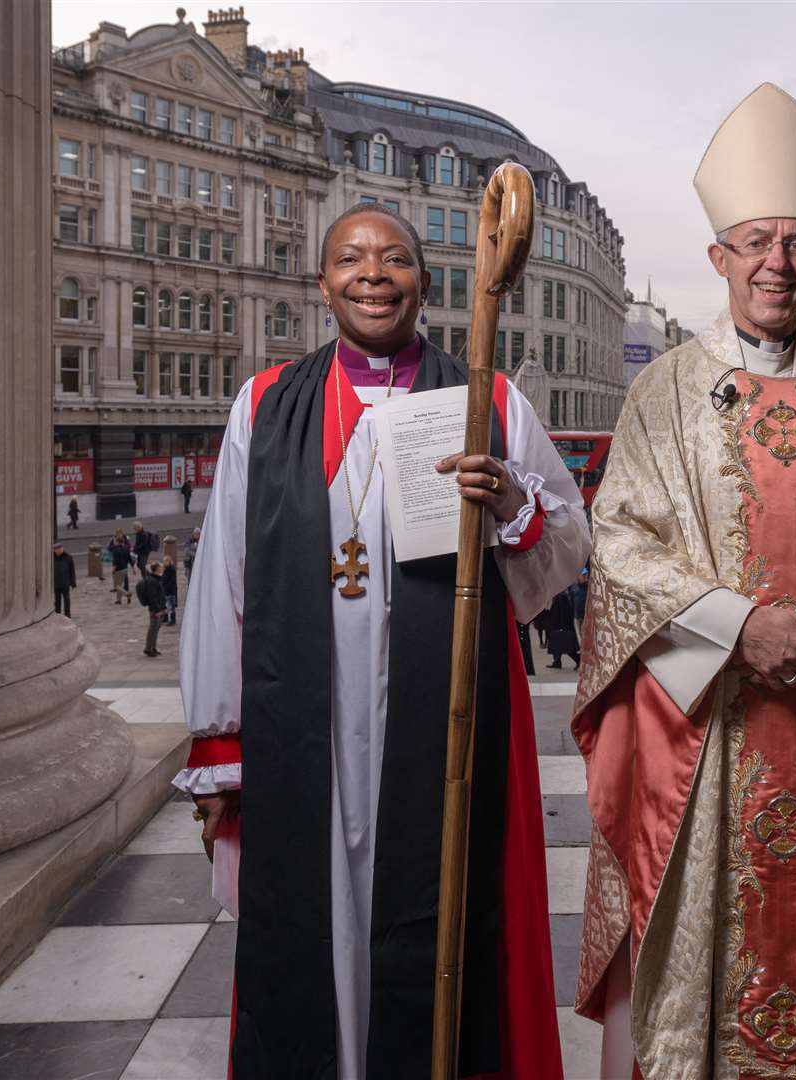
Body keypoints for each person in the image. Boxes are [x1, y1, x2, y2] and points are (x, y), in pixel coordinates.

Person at [175, 200, 587, 1079]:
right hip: (302, 729)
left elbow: (565, 556)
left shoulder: (487, 399)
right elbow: (223, 580)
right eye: (352, 259)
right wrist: (218, 744)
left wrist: (511, 503)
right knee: (310, 929)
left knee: (437, 928)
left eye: (393, 258)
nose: (373, 273)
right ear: (322, 282)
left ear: (424, 281)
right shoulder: (264, 407)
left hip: (439, 730)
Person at [573, 84, 796, 1079]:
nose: (778, 263)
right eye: (756, 242)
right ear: (718, 257)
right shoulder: (664, 393)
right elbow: (622, 540)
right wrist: (739, 628)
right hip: (712, 737)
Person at [545, 585, 580, 669]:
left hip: (560, 626)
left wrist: (562, 626)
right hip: (557, 625)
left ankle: (579, 659)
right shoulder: (559, 595)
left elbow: (563, 613)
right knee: (557, 646)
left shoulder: (561, 596)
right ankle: (556, 662)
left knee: (566, 646)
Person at [137, 559, 165, 657]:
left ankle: (153, 647)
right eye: (160, 568)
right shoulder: (152, 581)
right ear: (156, 569)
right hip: (155, 610)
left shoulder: (157, 579)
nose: (162, 569)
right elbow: (152, 597)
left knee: (156, 629)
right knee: (152, 629)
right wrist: (157, 610)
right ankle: (148, 649)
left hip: (160, 608)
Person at [107, 529, 132, 604]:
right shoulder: (125, 549)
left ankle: (126, 594)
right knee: (120, 584)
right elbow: (129, 558)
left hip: (118, 569)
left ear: (117, 542)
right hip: (125, 568)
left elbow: (116, 561)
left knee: (116, 586)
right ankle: (119, 600)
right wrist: (133, 567)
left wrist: (113, 569)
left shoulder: (115, 550)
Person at [53, 543, 76, 617]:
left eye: (60, 549)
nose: (59, 550)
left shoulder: (68, 557)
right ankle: (58, 614)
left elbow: (72, 571)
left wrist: (73, 583)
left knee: (67, 600)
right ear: (54, 550)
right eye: (57, 549)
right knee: (57, 601)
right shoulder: (52, 558)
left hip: (65, 583)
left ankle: (67, 615)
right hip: (56, 583)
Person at [161, 556, 178, 627]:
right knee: (165, 605)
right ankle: (165, 618)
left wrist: (166, 588)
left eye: (165, 561)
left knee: (171, 606)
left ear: (169, 561)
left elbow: (172, 581)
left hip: (170, 590)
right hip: (165, 589)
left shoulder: (171, 569)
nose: (164, 563)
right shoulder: (165, 569)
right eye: (163, 561)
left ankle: (172, 620)